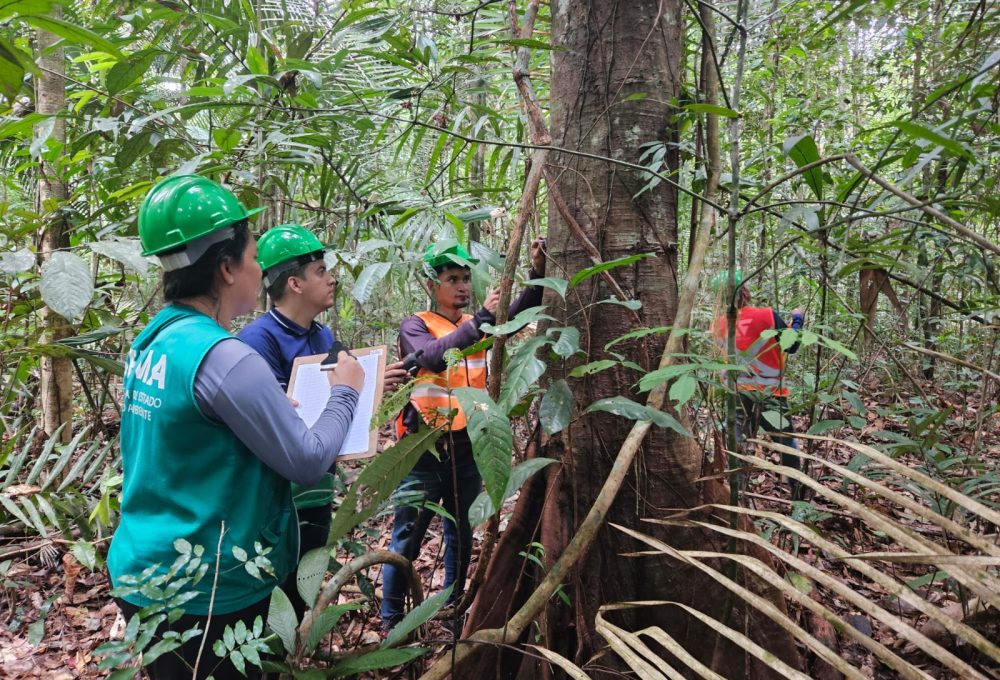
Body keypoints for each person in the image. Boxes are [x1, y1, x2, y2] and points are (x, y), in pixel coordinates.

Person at [107, 176, 365, 680]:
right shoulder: (227, 357)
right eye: (252, 258)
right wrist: (346, 391)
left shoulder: (152, 341)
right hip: (212, 584)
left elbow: (187, 435)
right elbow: (309, 460)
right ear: (226, 268)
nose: (258, 269)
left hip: (145, 570)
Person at [238, 223, 409, 620]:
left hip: (317, 487)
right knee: (276, 590)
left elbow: (334, 399)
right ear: (295, 284)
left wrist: (370, 384)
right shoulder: (257, 341)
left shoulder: (322, 334)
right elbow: (280, 418)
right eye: (320, 271)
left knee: (307, 582)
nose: (332, 279)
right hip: (278, 499)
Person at [380, 238, 546, 631]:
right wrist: (480, 320)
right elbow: (433, 357)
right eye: (452, 278)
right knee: (407, 536)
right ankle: (392, 621)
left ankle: (453, 612)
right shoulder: (416, 325)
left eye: (465, 279)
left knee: (461, 531)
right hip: (423, 450)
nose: (462, 287)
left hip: (468, 446)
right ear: (431, 285)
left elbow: (520, 313)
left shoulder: (477, 323)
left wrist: (537, 272)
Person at [711, 270, 805, 479]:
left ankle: (738, 498)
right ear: (744, 291)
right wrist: (798, 320)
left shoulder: (717, 324)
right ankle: (797, 493)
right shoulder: (767, 315)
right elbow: (792, 345)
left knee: (738, 447)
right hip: (769, 392)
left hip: (735, 393)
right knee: (786, 443)